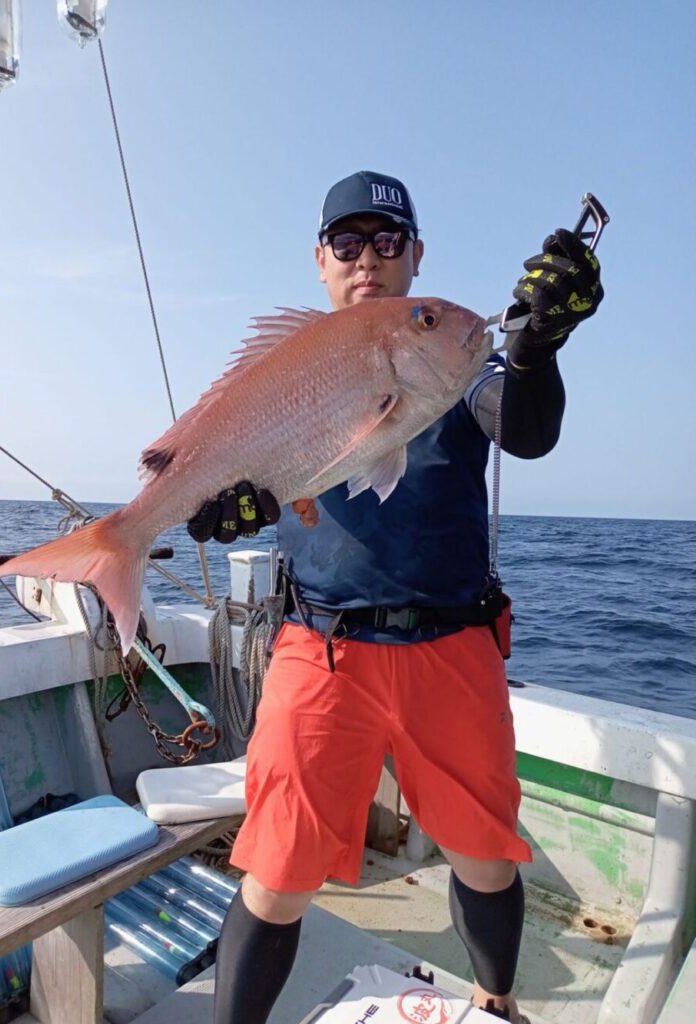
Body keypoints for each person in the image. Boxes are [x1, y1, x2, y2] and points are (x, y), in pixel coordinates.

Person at [188, 170, 603, 1024]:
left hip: (453, 646)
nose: (367, 259)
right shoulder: (286, 371)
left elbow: (524, 428)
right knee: (275, 875)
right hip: (320, 650)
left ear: (416, 255)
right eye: (347, 243)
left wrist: (535, 352)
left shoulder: (450, 361)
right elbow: (226, 479)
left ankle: (494, 1000)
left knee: (485, 857)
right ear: (320, 260)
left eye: (387, 242)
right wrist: (211, 510)